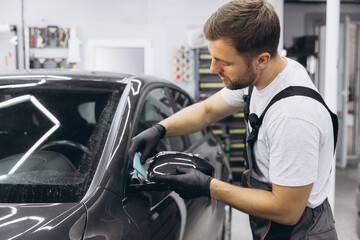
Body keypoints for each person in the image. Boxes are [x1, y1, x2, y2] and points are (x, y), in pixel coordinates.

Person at [129, 0, 338, 239]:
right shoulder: (262, 76)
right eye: (213, 57)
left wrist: (208, 187)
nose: (212, 67)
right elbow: (207, 110)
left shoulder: (294, 117)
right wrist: (160, 129)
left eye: (224, 62)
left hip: (301, 231)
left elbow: (287, 210)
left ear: (261, 60)